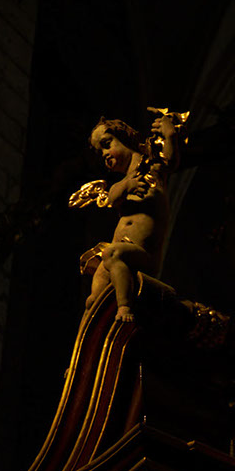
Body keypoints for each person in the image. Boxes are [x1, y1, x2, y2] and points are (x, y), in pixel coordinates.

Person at [71, 113, 180, 323]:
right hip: (118, 253)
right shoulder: (122, 184)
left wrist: (170, 135)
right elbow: (112, 197)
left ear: (124, 138)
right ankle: (86, 331)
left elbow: (170, 161)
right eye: (99, 151)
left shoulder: (151, 170)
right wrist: (127, 185)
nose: (104, 154)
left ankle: (124, 307)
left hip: (142, 253)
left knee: (112, 253)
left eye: (106, 144)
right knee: (95, 291)